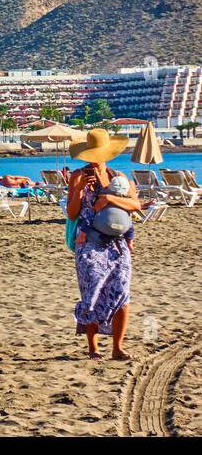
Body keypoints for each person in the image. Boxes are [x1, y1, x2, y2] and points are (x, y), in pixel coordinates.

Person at [66, 128, 139, 361]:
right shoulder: (77, 176)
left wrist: (108, 198)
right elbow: (71, 213)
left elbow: (135, 204)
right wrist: (79, 190)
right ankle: (93, 348)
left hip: (118, 245)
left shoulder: (119, 176)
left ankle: (118, 348)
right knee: (92, 294)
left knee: (122, 293)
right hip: (89, 245)